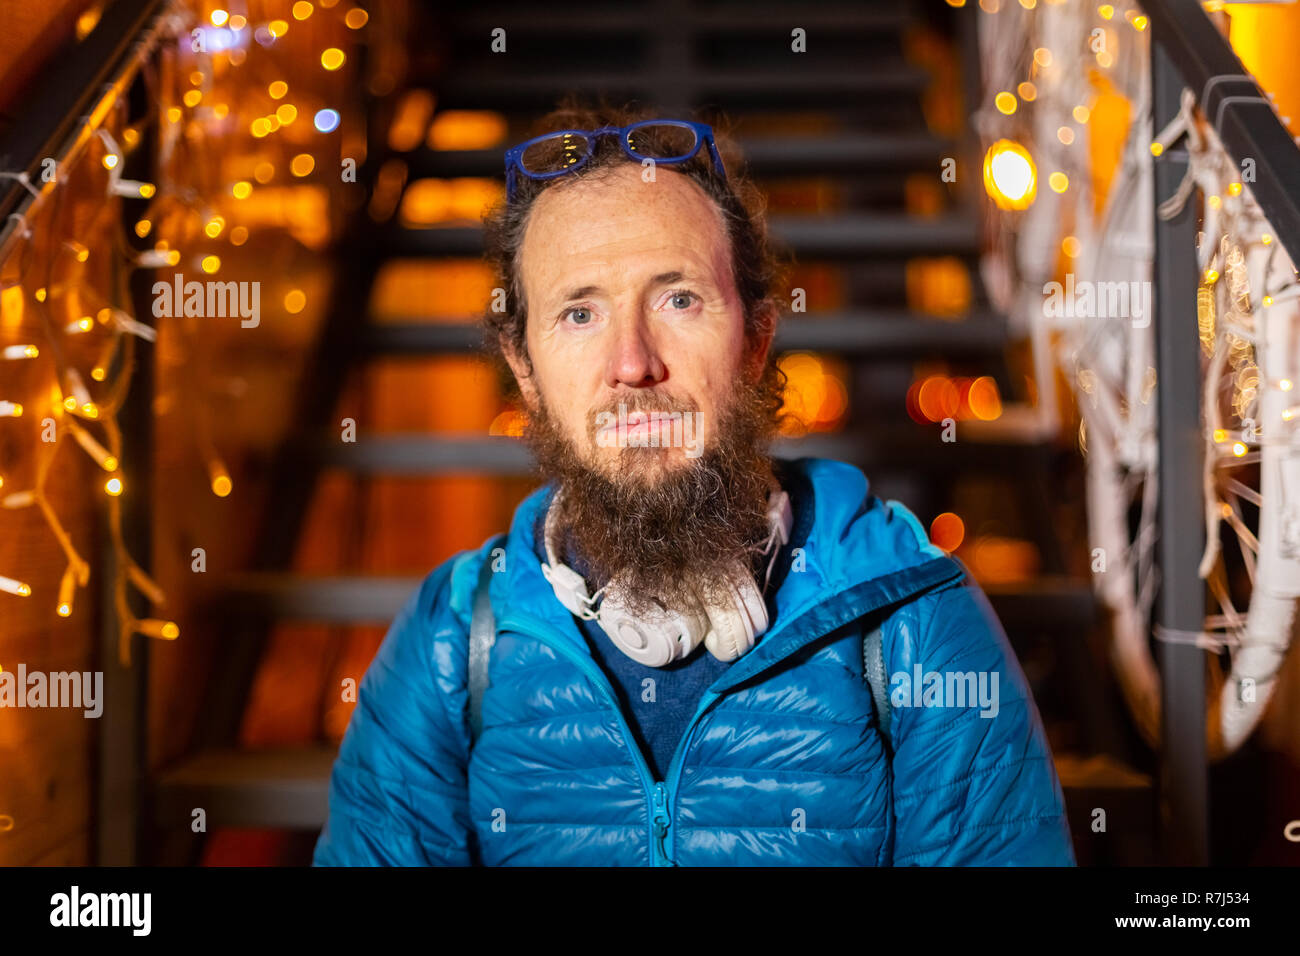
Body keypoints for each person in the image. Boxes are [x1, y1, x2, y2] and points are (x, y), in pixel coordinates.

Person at [313, 102, 1076, 866]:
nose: (633, 362)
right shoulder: (454, 641)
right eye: (579, 314)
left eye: (679, 300)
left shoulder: (914, 621)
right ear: (526, 373)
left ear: (755, 342)